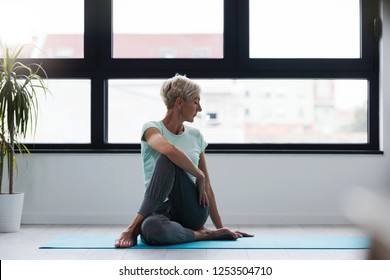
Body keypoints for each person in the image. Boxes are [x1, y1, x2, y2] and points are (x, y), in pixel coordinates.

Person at [115, 74, 253, 248]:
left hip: (191, 209)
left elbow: (207, 187)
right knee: (151, 229)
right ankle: (203, 235)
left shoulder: (196, 136)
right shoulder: (151, 129)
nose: (200, 108)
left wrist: (221, 228)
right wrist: (198, 174)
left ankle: (131, 228)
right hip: (159, 210)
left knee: (168, 160)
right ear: (180, 103)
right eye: (196, 102)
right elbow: (169, 149)